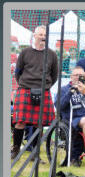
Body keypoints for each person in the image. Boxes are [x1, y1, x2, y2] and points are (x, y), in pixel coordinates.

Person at [11, 25, 58, 160]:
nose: (43, 37)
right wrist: (26, 85)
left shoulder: (52, 54)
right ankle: (15, 150)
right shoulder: (25, 52)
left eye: (45, 35)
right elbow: (18, 73)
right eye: (41, 34)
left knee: (40, 123)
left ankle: (35, 153)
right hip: (25, 89)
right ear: (34, 36)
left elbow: (54, 75)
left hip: (44, 90)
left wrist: (45, 86)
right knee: (20, 122)